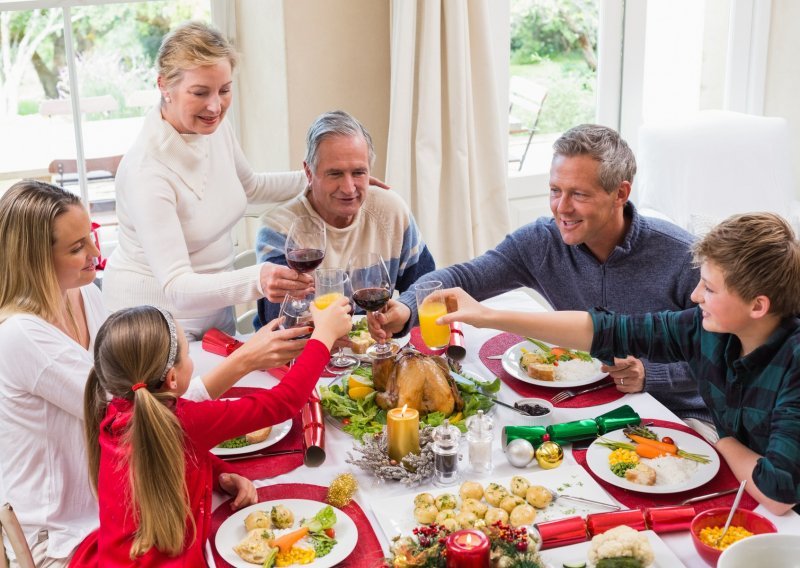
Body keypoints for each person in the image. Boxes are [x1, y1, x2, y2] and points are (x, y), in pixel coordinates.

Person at [437, 212, 800, 515]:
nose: (695, 295)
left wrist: (725, 442)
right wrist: (488, 316)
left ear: (758, 306)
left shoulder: (794, 363)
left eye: (709, 288)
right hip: (743, 485)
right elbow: (607, 330)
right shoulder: (707, 330)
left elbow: (779, 493)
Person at [370, 124, 711, 430]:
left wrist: (652, 375)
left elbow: (728, 353)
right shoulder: (543, 241)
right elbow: (466, 276)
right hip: (588, 403)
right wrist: (406, 307)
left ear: (620, 193)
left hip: (680, 414)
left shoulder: (683, 256)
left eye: (579, 194)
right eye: (555, 190)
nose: (561, 208)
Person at [102, 22, 386, 340]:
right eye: (200, 93)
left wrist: (323, 180)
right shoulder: (147, 172)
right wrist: (259, 278)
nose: (215, 105)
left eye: (224, 90)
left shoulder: (213, 128)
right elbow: (177, 287)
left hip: (213, 318)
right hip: (150, 329)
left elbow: (250, 187)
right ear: (164, 86)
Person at [71, 296, 352, 566]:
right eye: (186, 354)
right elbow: (284, 402)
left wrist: (220, 474)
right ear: (171, 378)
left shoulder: (118, 410)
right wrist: (323, 337)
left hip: (118, 556)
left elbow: (173, 457)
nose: (191, 362)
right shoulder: (185, 420)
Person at [0, 180, 103, 566]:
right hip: (58, 539)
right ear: (36, 260)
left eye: (90, 237)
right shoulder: (19, 336)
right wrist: (241, 364)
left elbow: (132, 377)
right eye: (77, 248)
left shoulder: (85, 294)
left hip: (104, 508)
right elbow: (128, 405)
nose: (94, 253)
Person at [254, 110, 435, 328]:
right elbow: (282, 323)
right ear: (309, 173)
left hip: (371, 352)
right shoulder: (280, 229)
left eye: (359, 172)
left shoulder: (391, 211)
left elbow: (428, 289)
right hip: (302, 357)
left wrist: (405, 310)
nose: (349, 188)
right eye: (335, 174)